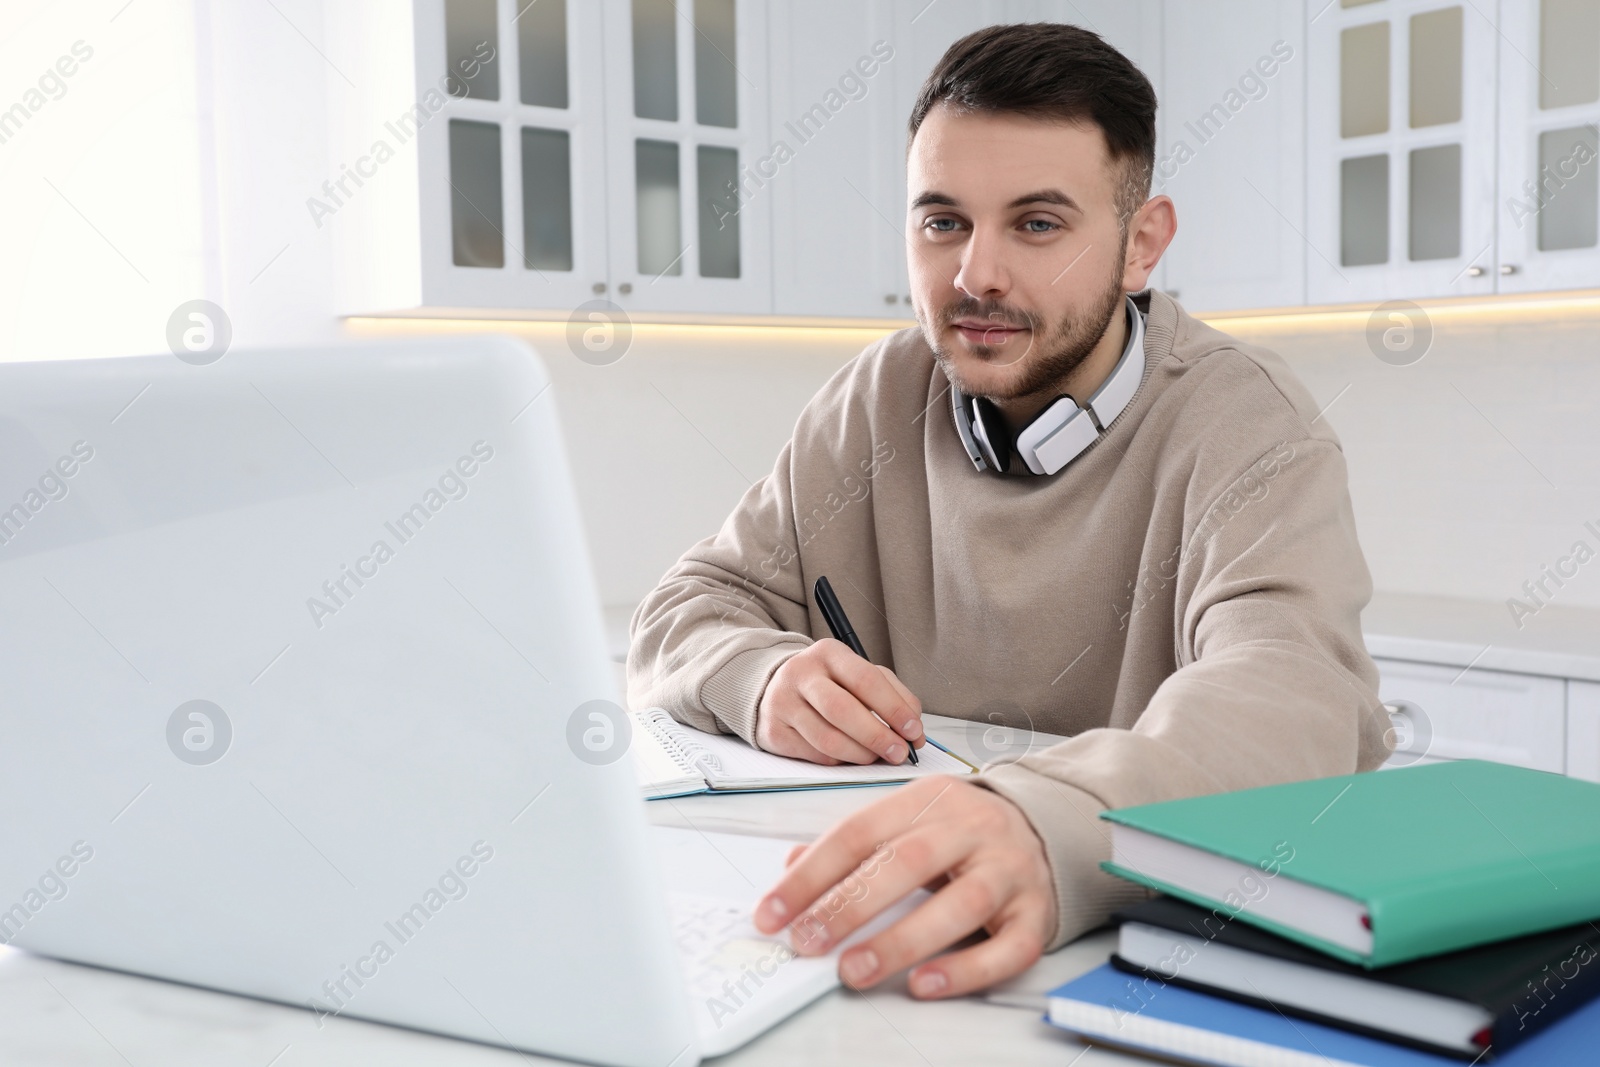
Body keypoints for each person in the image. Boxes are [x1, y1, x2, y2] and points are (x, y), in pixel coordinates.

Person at [627, 22, 1391, 1000]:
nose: (974, 274)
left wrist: (1046, 821)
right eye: (942, 221)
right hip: (895, 933)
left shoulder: (1251, 426)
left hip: (1141, 960)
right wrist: (758, 673)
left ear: (1140, 243)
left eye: (1036, 223)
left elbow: (1293, 700)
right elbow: (684, 610)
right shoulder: (873, 396)